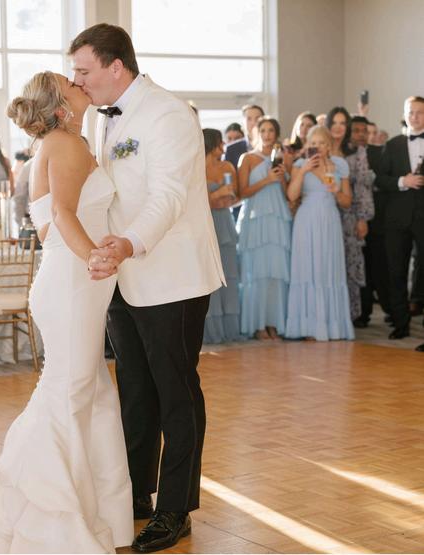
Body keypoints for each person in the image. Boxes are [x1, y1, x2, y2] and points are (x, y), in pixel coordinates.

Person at [0, 69, 133, 553]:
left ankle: (102, 515)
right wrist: (94, 256)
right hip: (73, 283)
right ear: (60, 106)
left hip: (69, 283)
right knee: (68, 396)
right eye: (70, 82)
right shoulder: (65, 144)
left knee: (91, 396)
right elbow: (61, 216)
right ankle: (48, 527)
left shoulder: (60, 143)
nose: (79, 82)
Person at [73, 24, 225, 552]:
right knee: (135, 391)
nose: (78, 81)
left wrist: (128, 243)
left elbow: (169, 196)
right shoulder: (103, 117)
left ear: (116, 66)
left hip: (172, 276)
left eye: (84, 70)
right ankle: (136, 494)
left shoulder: (168, 114)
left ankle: (175, 509)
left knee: (176, 393)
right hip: (124, 279)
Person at [285, 125, 354, 341]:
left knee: (328, 268)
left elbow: (347, 202)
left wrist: (336, 190)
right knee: (308, 268)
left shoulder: (340, 165)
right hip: (307, 220)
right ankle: (308, 327)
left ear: (329, 145)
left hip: (330, 219)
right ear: (307, 145)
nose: (317, 147)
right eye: (313, 143)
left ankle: (333, 327)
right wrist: (303, 171)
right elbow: (291, 195)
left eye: (322, 143)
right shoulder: (299, 165)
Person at [375, 96, 424, 348]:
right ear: (404, 115)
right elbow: (380, 180)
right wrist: (403, 181)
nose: (414, 116)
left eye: (419, 112)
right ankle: (400, 324)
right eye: (410, 112)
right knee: (396, 270)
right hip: (396, 218)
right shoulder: (392, 145)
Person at [237, 117, 292, 340]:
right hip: (255, 218)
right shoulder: (248, 158)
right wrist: (267, 179)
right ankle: (257, 324)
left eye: (271, 130)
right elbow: (242, 192)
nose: (267, 134)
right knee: (256, 272)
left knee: (276, 272)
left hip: (277, 217)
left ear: (276, 134)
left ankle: (274, 323)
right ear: (257, 133)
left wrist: (282, 176)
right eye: (263, 130)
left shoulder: (281, 158)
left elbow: (288, 194)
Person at [328, 108, 375, 322]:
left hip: (349, 215)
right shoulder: (321, 147)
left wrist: (362, 218)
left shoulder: (356, 152)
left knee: (350, 264)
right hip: (323, 212)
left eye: (342, 123)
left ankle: (347, 316)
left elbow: (363, 188)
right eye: (334, 123)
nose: (338, 127)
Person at [202, 129, 241, 344]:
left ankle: (229, 328)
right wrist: (217, 194)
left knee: (229, 274)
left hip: (225, 220)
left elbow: (236, 195)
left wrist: (228, 198)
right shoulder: (196, 167)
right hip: (207, 222)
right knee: (210, 275)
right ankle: (211, 329)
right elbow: (196, 201)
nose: (223, 146)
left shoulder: (227, 166)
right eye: (220, 142)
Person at [351, 116, 390, 327]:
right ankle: (361, 313)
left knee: (380, 267)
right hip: (351, 218)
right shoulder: (345, 155)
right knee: (360, 266)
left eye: (364, 131)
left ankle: (391, 309)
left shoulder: (379, 153)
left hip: (377, 219)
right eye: (356, 130)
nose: (360, 135)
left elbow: (384, 182)